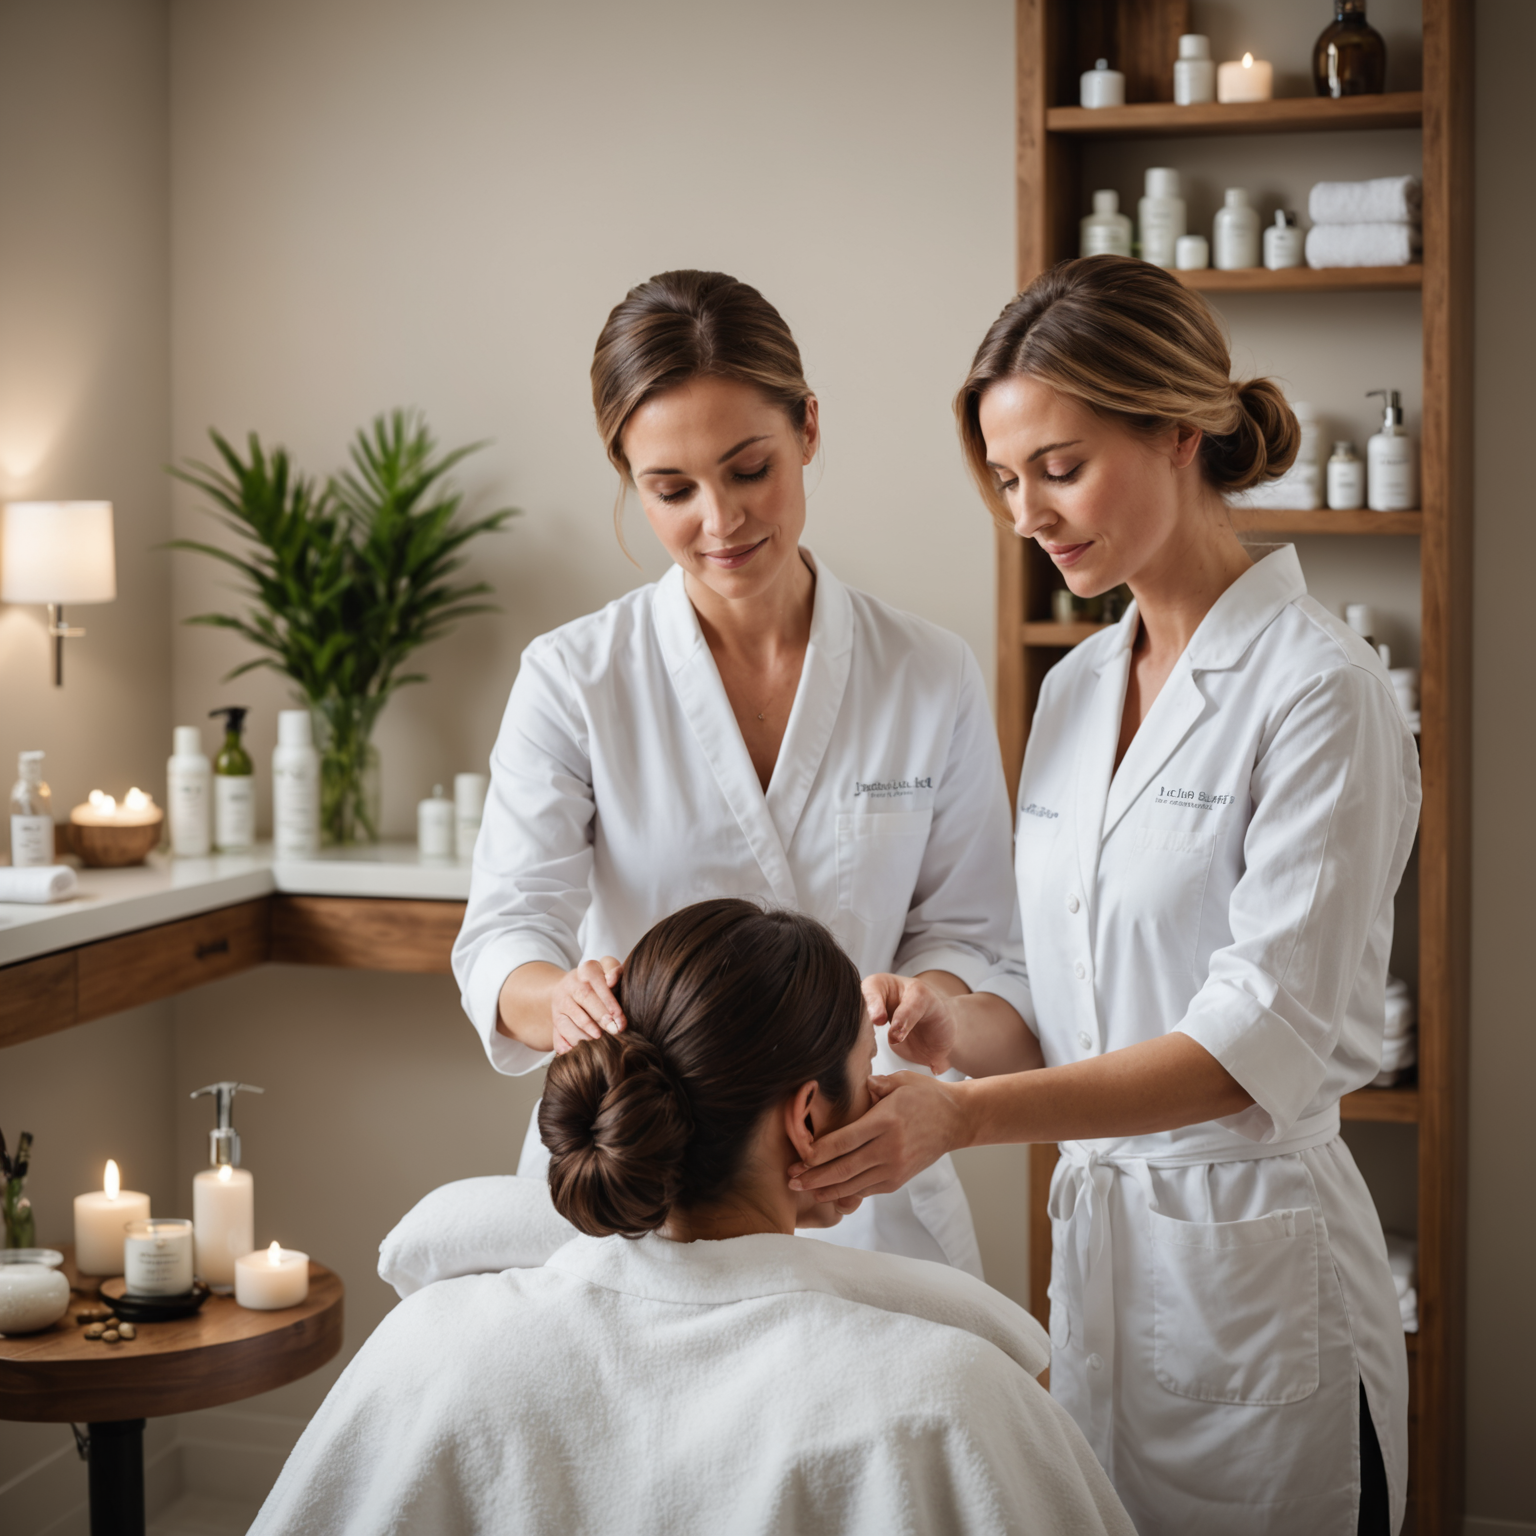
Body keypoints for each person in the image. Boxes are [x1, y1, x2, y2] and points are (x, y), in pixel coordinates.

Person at [787, 257, 1420, 1535]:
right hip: (1104, 1279)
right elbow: (1065, 1006)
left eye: (1060, 467)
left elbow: (1252, 1048)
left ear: (1177, 430)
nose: (1029, 513)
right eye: (1008, 481)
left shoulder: (1319, 692)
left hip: (1254, 1282)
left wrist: (961, 1121)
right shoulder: (1076, 692)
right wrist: (950, 1026)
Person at [452, 269, 1029, 1275]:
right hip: (651, 1189)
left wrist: (924, 998)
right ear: (631, 482)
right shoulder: (575, 678)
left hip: (857, 1166)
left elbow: (969, 931)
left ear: (808, 427)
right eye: (671, 491)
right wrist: (563, 1003)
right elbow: (505, 935)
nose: (720, 521)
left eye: (748, 469)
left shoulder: (927, 673)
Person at [251, 901, 1135, 1536]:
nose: (880, 1096)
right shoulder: (951, 1402)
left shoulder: (429, 1350)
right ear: (809, 1119)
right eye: (868, 1072)